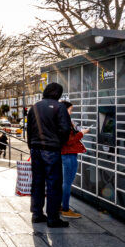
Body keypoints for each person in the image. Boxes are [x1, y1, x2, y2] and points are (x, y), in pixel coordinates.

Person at [26, 82, 72, 228]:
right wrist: (59, 143)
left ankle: (37, 214)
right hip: (51, 149)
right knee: (54, 183)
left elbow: (29, 129)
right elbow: (65, 130)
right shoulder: (60, 107)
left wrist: (31, 145)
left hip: (35, 148)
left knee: (37, 182)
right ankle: (53, 218)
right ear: (58, 93)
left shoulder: (34, 107)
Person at [59, 101, 89, 220]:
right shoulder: (64, 121)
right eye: (70, 110)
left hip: (64, 154)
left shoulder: (59, 120)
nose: (71, 112)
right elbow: (69, 141)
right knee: (67, 183)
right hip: (69, 155)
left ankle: (61, 206)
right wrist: (81, 133)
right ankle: (65, 209)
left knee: (64, 183)